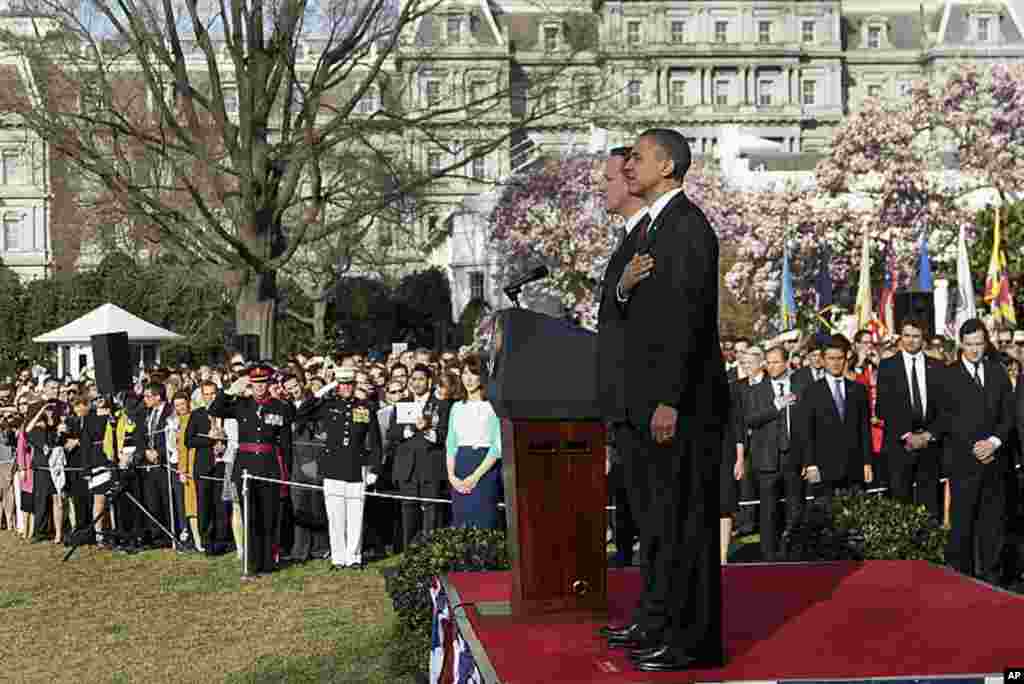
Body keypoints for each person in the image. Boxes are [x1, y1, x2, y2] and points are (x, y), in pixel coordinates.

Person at [602, 129, 729, 671]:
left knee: (684, 526)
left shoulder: (687, 227)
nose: (631, 165)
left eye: (640, 157)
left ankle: (691, 640)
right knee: (659, 525)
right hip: (649, 404)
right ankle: (660, 622)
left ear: (670, 166)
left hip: (680, 406)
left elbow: (687, 322)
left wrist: (670, 400)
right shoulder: (656, 227)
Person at [598, 145, 648, 567]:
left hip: (644, 399)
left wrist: (620, 291)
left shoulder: (649, 234)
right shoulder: (628, 236)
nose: (604, 185)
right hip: (625, 401)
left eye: (611, 177)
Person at [935, 319, 1013, 583]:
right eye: (969, 344)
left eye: (979, 343)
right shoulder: (948, 375)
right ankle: (962, 578)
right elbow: (945, 420)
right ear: (961, 344)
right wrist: (974, 447)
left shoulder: (997, 372)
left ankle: (993, 578)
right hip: (963, 463)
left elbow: (1008, 415)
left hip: (995, 462)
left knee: (993, 523)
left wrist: (993, 442)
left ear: (985, 343)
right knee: (962, 524)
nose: (975, 350)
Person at [208, 364, 295, 577]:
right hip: (246, 466)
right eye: (255, 383)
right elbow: (215, 409)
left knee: (269, 515)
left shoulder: (279, 407)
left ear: (269, 384)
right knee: (250, 516)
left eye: (263, 383)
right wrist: (230, 390)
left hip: (269, 465)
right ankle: (252, 562)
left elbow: (285, 443)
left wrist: (287, 472)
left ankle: (268, 562)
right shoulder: (241, 404)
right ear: (250, 384)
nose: (259, 387)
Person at [296, 367, 382, 569]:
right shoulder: (328, 405)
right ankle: (338, 557)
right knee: (335, 516)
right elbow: (302, 411)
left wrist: (375, 469)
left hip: (356, 466)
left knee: (355, 514)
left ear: (354, 385)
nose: (345, 388)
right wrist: (325, 388)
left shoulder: (366, 407)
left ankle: (354, 556)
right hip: (332, 466)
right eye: (341, 384)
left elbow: (376, 442)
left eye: (349, 384)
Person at [745, 346, 811, 560]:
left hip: (793, 456)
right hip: (767, 458)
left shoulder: (800, 386)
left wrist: (807, 459)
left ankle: (794, 552)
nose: (771, 366)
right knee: (768, 510)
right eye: (768, 362)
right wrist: (776, 405)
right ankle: (768, 555)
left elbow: (807, 424)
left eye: (776, 362)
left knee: (795, 507)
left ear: (786, 362)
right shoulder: (757, 389)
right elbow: (751, 419)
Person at [876, 318, 944, 521]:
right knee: (899, 505)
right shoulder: (888, 366)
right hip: (899, 447)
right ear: (900, 337)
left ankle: (930, 548)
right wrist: (907, 435)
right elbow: (882, 408)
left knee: (929, 505)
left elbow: (945, 407)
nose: (911, 341)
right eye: (907, 335)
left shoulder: (937, 366)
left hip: (929, 446)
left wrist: (928, 435)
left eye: (916, 336)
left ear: (923, 339)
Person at [800, 335, 874, 505]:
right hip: (824, 466)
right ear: (823, 360)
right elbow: (807, 431)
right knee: (826, 517)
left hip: (854, 466)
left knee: (855, 514)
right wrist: (810, 464)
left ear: (846, 358)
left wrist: (867, 463)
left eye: (839, 358)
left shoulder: (858, 390)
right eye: (831, 358)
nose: (835, 363)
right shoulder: (811, 392)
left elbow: (864, 429)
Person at [446, 355, 501, 529]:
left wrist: (475, 476)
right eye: (464, 373)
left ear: (482, 376)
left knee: (483, 521)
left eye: (473, 374)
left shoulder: (492, 406)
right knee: (461, 522)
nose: (468, 379)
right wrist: (452, 476)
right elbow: (451, 444)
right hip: (461, 464)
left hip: (484, 467)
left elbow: (497, 447)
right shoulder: (456, 407)